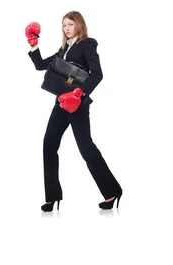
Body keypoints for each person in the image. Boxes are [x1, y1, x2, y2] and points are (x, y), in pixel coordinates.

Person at [25, 11, 123, 212]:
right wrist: (33, 44)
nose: (67, 28)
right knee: (48, 144)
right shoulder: (63, 49)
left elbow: (97, 74)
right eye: (64, 25)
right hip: (61, 103)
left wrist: (79, 93)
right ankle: (52, 197)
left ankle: (112, 191)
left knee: (85, 147)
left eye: (70, 24)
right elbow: (40, 65)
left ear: (79, 25)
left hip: (78, 103)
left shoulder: (87, 45)